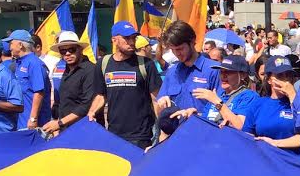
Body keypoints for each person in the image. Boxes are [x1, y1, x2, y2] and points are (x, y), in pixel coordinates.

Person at [89, 21, 162, 149]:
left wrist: (162, 130)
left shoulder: (146, 64)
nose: (132, 42)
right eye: (127, 38)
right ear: (114, 40)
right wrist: (92, 112)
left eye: (133, 38)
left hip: (141, 136)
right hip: (113, 134)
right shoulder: (103, 64)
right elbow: (101, 95)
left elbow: (156, 99)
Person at [156, 21, 221, 137]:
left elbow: (224, 108)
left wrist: (199, 115)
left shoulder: (213, 70)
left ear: (192, 42)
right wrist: (161, 105)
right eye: (173, 50)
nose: (177, 54)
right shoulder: (172, 72)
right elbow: (159, 113)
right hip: (175, 138)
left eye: (180, 49)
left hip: (205, 136)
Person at [41, 33, 96, 138]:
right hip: (65, 130)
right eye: (63, 51)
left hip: (84, 131)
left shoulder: (90, 70)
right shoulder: (66, 69)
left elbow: (86, 106)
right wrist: (57, 124)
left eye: (71, 50)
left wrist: (59, 123)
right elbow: (62, 102)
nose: (67, 54)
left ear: (80, 49)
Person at [190, 55, 260, 131]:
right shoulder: (219, 95)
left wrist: (217, 102)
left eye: (228, 72)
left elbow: (239, 126)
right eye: (221, 72)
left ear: (243, 75)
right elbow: (207, 118)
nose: (223, 76)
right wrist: (194, 115)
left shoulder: (249, 96)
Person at [7, 30, 52, 130]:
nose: (9, 47)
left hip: (34, 124)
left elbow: (39, 92)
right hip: (21, 121)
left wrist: (33, 119)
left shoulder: (34, 63)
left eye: (11, 43)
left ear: (20, 45)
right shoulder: (19, 63)